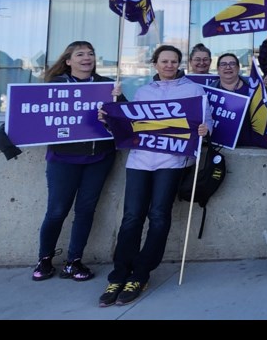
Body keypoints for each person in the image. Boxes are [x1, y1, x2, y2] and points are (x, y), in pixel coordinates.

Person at [99, 45, 210, 306]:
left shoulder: (194, 90)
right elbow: (130, 124)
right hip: (139, 160)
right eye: (164, 61)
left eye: (174, 61)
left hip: (172, 160)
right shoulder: (143, 91)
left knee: (159, 216)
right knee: (131, 217)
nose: (169, 65)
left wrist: (206, 129)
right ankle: (119, 274)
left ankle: (140, 273)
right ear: (155, 64)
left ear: (180, 64)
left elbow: (206, 121)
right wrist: (111, 117)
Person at [31, 41, 121, 283]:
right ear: (68, 61)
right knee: (57, 211)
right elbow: (33, 114)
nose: (86, 58)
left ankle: (74, 261)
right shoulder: (55, 85)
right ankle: (45, 259)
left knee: (85, 210)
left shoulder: (108, 86)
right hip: (64, 158)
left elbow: (126, 123)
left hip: (99, 158)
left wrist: (115, 109)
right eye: (80, 54)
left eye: (91, 54)